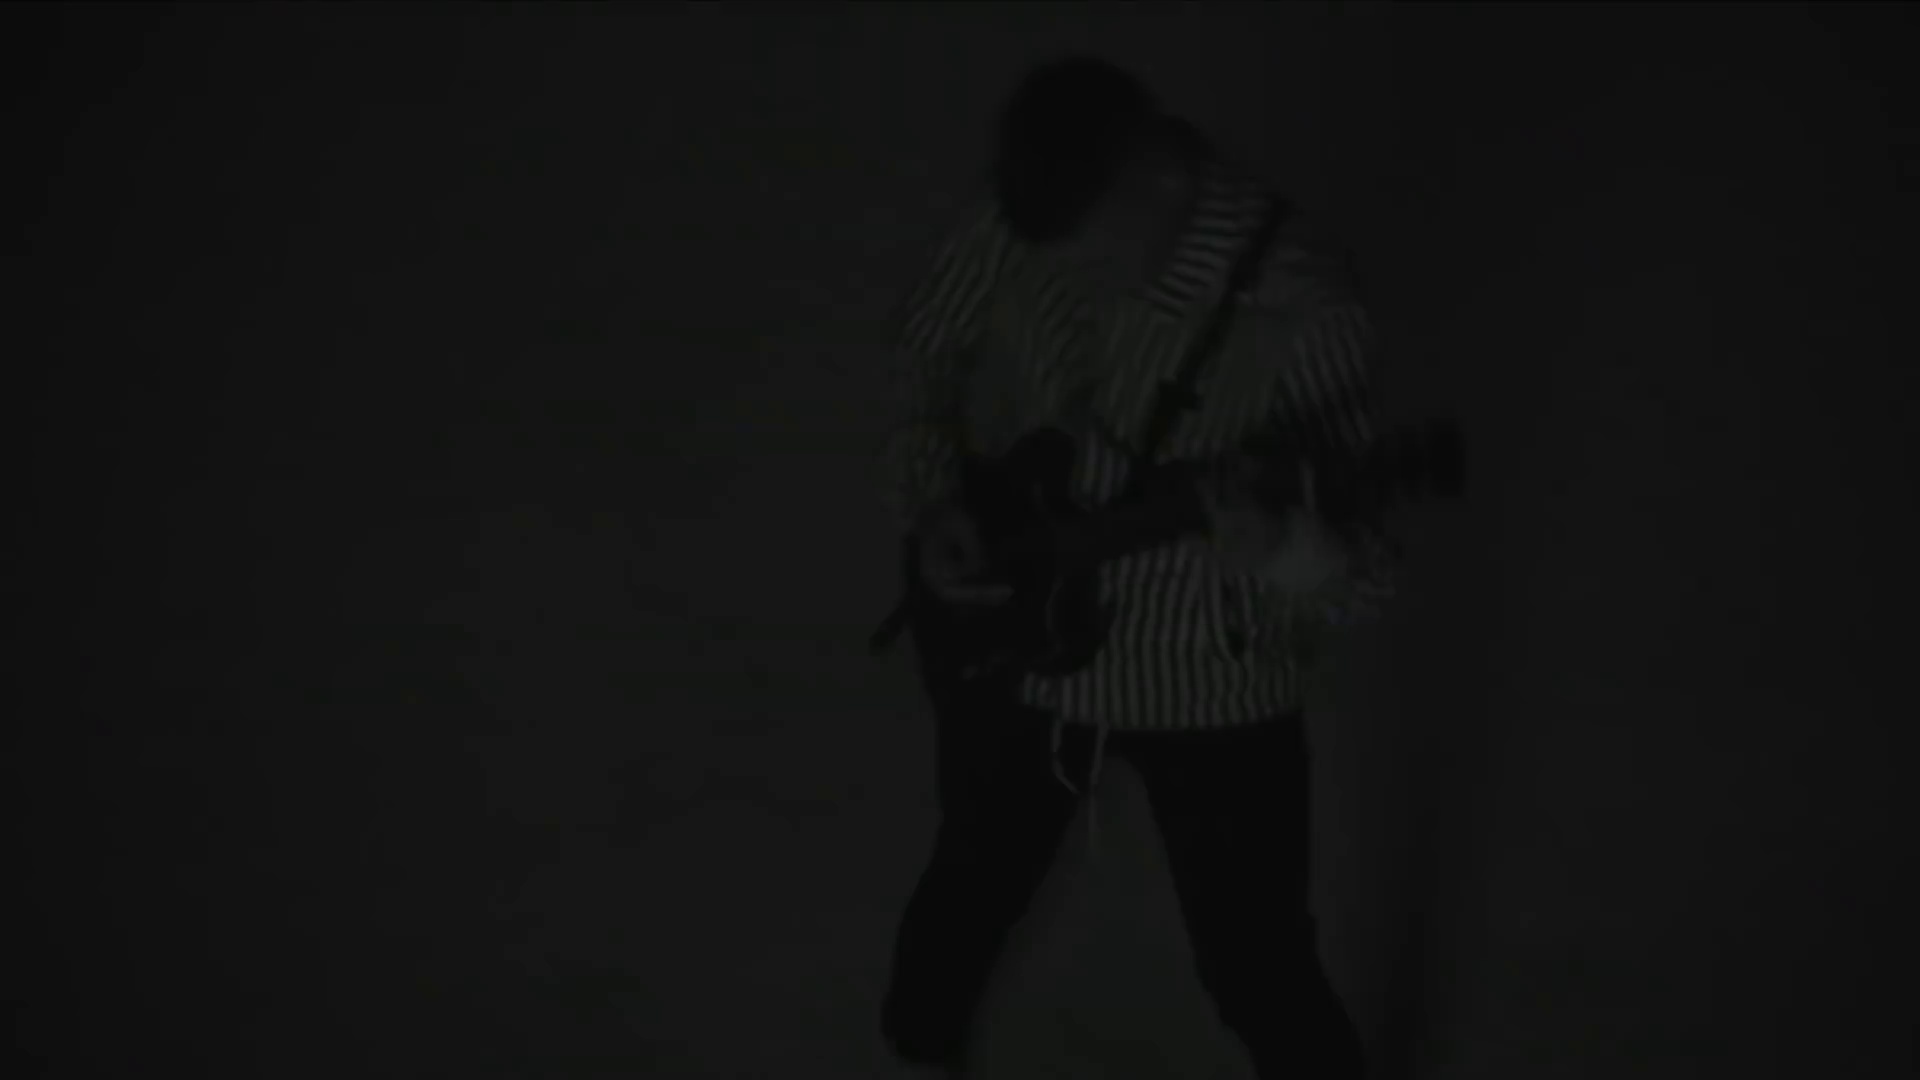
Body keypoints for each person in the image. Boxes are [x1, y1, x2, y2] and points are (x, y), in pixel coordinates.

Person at [877, 55, 1398, 1079]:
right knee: (969, 888)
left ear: (1160, 177)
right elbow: (925, 345)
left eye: (1095, 253)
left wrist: (1281, 548)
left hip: (1209, 686)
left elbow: (1369, 574)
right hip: (1020, 646)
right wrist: (934, 499)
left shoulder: (1306, 308)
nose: (1069, 277)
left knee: (1256, 968)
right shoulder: (1043, 203)